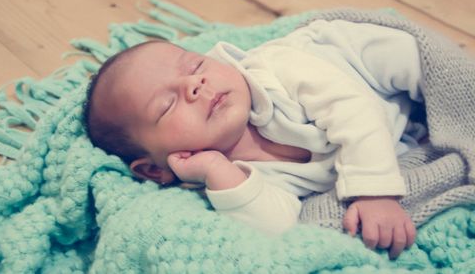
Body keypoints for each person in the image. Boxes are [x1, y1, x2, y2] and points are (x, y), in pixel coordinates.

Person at [84, 19, 426, 259]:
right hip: (399, 126)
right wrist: (217, 170)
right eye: (167, 104)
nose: (195, 84)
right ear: (154, 171)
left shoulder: (276, 71)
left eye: (195, 66)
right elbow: (280, 226)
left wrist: (375, 192)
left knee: (406, 57)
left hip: (362, 67)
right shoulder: (236, 176)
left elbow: (352, 108)